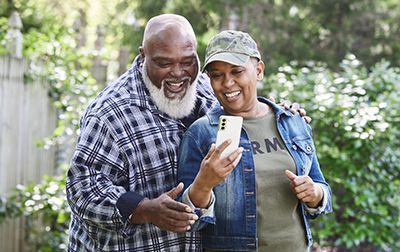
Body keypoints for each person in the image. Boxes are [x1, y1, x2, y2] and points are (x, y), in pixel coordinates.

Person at [66, 14, 213, 251]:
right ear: (143, 55)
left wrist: (285, 113)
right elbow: (82, 188)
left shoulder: (207, 91)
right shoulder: (109, 112)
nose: (177, 73)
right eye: (164, 63)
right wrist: (143, 209)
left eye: (187, 61)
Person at [177, 30, 332, 251]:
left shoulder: (293, 123)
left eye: (236, 71)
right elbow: (189, 220)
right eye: (216, 75)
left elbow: (322, 190)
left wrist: (315, 194)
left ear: (258, 70)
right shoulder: (201, 134)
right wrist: (204, 183)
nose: (227, 83)